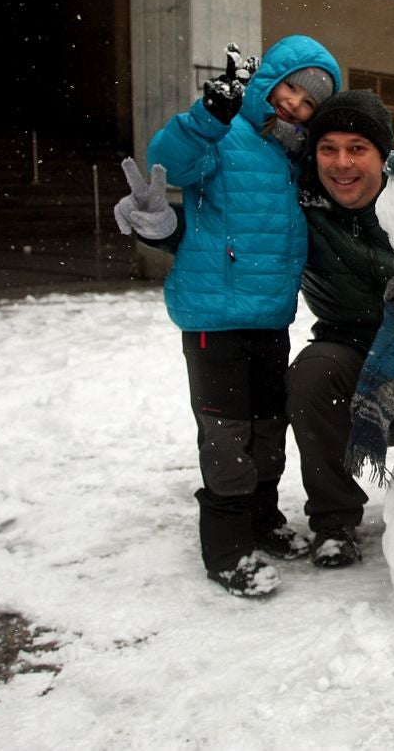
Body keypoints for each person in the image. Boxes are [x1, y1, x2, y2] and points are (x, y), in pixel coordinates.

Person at [113, 36, 341, 597]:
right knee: (225, 434)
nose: (295, 104)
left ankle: (262, 521)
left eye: (310, 101)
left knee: (268, 427)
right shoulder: (226, 134)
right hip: (214, 315)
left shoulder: (296, 157)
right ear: (271, 81)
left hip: (268, 317)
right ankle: (226, 546)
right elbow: (174, 159)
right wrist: (208, 116)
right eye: (291, 87)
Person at [283, 90, 394, 569]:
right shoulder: (302, 207)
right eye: (328, 148)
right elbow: (234, 229)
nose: (341, 163)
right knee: (311, 377)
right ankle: (334, 520)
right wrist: (165, 228)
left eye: (357, 148)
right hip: (347, 346)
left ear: (382, 155)